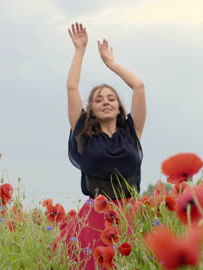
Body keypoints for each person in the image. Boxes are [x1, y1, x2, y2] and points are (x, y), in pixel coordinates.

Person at [56, 22, 146, 269]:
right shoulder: (83, 134)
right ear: (91, 109)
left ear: (119, 107)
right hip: (95, 218)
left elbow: (138, 86)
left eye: (111, 98)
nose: (106, 102)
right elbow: (72, 87)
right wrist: (80, 50)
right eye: (98, 99)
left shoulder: (131, 131)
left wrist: (111, 64)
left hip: (131, 214)